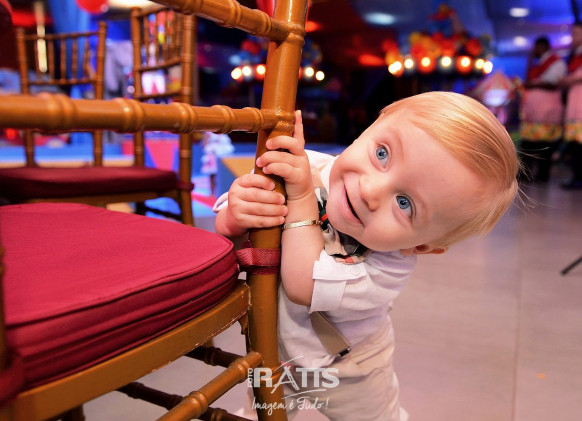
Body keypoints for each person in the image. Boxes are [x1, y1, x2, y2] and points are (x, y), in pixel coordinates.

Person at [214, 91, 519, 421]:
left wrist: (301, 198)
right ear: (372, 125)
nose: (370, 190)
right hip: (276, 350)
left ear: (421, 246)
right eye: (382, 154)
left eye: (404, 203)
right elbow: (236, 239)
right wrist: (235, 216)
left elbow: (303, 285)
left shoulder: (390, 267)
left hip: (349, 367)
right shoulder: (309, 166)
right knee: (260, 415)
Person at [519, 36, 567, 183]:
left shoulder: (556, 62)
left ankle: (542, 175)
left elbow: (554, 83)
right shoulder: (537, 64)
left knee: (545, 144)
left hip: (547, 111)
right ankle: (526, 173)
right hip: (533, 112)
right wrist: (530, 60)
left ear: (544, 47)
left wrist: (534, 84)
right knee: (528, 143)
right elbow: (528, 81)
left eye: (537, 47)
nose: (535, 50)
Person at [560, 22, 582, 189]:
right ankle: (577, 177)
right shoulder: (574, 56)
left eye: (576, 34)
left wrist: (569, 79)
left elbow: (574, 77)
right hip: (575, 106)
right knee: (575, 145)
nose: (573, 37)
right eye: (572, 33)